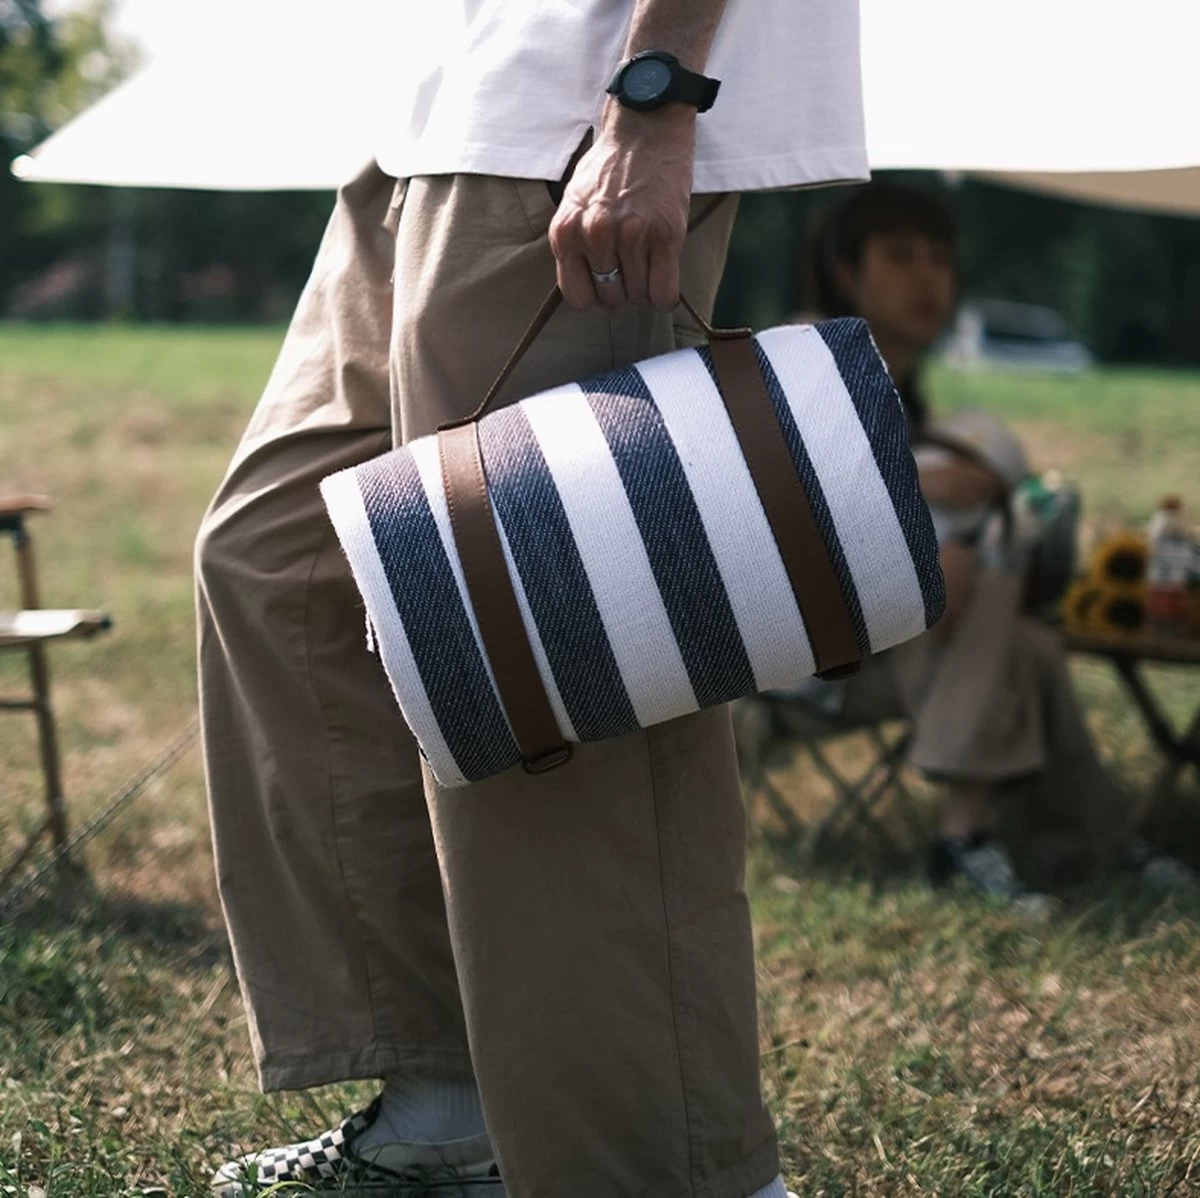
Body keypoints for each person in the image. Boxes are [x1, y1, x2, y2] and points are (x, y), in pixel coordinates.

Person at [195, 2, 870, 1194]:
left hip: (584, 106)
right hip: (442, 109)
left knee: (557, 658)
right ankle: (452, 1107)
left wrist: (653, 96)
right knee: (281, 563)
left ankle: (680, 1172)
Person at [807, 183, 1195, 901]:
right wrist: (922, 504)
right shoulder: (803, 370)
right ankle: (976, 840)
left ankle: (1058, 844)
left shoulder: (906, 390)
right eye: (900, 256)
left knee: (1032, 645)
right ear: (845, 271)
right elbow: (784, 510)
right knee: (993, 582)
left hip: (909, 643)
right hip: (808, 655)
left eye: (940, 260)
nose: (928, 278)